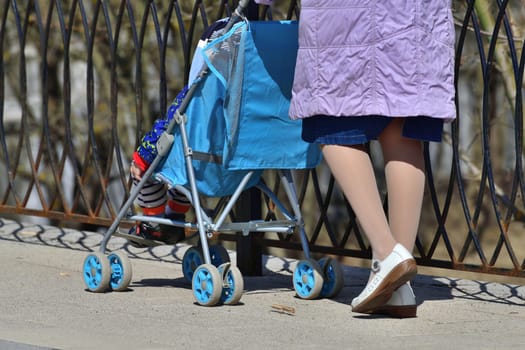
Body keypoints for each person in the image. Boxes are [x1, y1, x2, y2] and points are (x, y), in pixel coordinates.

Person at [288, 1, 456, 317]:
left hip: (344, 21)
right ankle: (399, 289)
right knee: (402, 128)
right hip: (414, 21)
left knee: (331, 123)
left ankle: (386, 252)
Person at [126, 19, 229, 247]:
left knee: (144, 165)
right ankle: (174, 217)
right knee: (188, 171)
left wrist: (143, 156)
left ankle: (155, 222)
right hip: (246, 163)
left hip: (200, 158)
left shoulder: (204, 92)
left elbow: (172, 122)